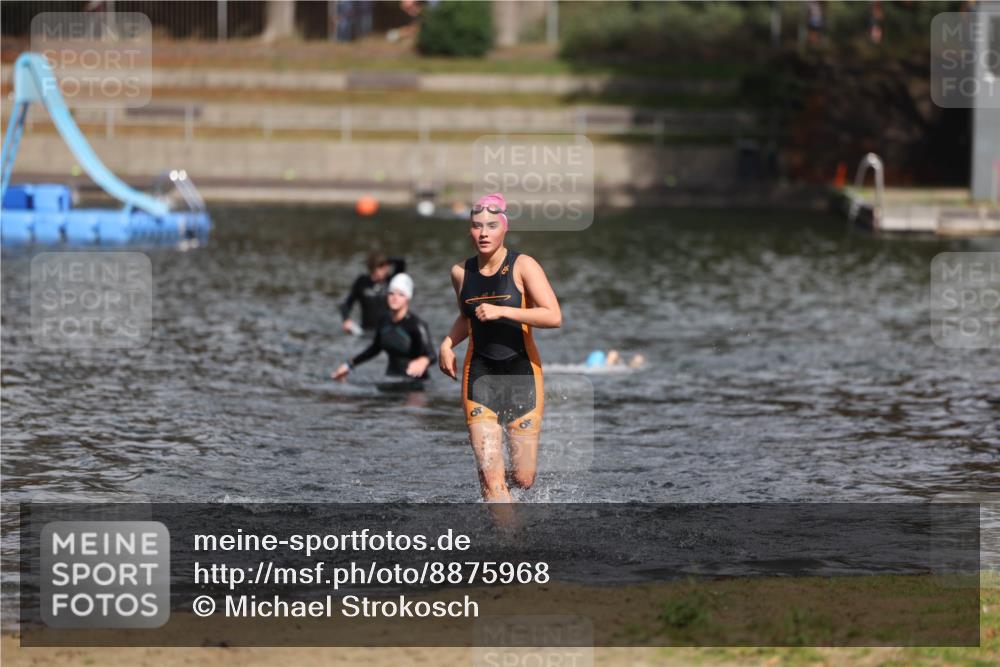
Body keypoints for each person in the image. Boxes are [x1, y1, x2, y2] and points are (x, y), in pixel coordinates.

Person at [438, 193, 562, 503]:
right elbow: (468, 318)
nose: (483, 233)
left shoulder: (523, 265)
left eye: (491, 226)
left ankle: (499, 490)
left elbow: (553, 316)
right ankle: (509, 544)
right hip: (479, 375)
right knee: (492, 480)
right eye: (477, 226)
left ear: (504, 228)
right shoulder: (460, 273)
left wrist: (503, 311)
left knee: (524, 478)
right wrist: (447, 342)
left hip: (522, 373)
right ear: (469, 229)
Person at [332, 273, 436, 383]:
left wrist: (423, 361)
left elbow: (432, 355)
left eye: (401, 294)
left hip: (416, 384)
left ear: (408, 298)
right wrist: (348, 365)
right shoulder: (384, 321)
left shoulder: (416, 324)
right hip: (391, 378)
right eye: (391, 293)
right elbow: (374, 349)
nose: (395, 298)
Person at [339, 251, 405, 334]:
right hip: (366, 331)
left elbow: (401, 262)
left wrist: (384, 260)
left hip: (387, 330)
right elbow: (346, 305)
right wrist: (346, 320)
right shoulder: (362, 282)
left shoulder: (392, 281)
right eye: (374, 270)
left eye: (383, 268)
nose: (378, 273)